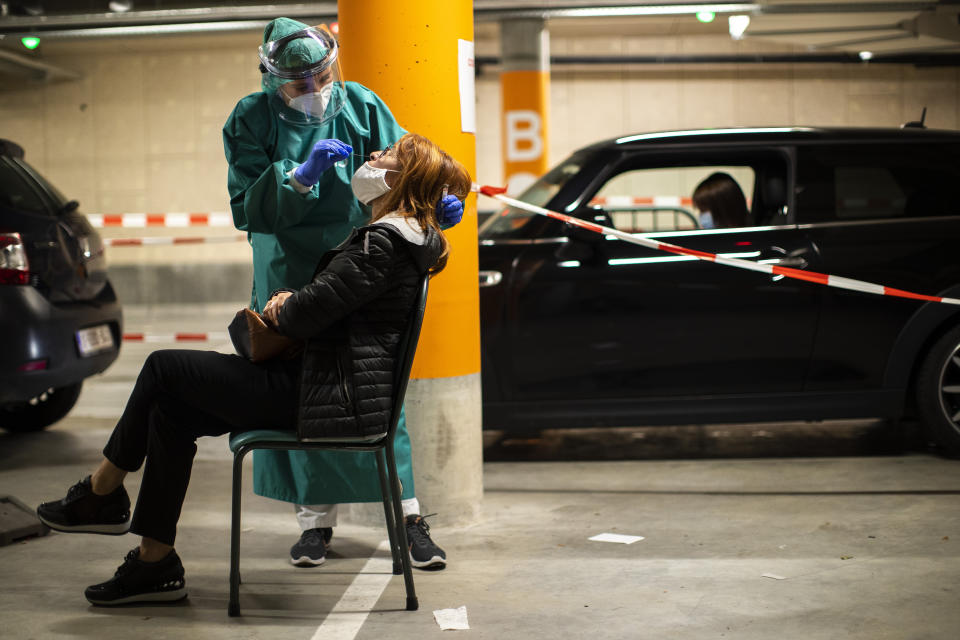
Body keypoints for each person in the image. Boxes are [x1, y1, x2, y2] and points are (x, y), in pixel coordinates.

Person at [35, 133, 472, 606]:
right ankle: (153, 562)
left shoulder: (382, 245)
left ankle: (102, 493)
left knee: (163, 367)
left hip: (320, 393)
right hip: (321, 384)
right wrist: (299, 304)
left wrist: (285, 303)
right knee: (170, 412)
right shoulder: (399, 241)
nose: (371, 156)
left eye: (386, 155)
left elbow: (307, 314)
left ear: (402, 178)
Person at [222, 18, 462, 570]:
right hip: (290, 267)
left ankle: (407, 517)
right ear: (270, 75)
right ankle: (314, 524)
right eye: (298, 81)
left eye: (319, 77)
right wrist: (299, 178)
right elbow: (248, 206)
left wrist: (438, 206)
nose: (312, 90)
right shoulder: (250, 118)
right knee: (307, 389)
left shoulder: (361, 105)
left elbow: (408, 167)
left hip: (365, 259)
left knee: (379, 387)